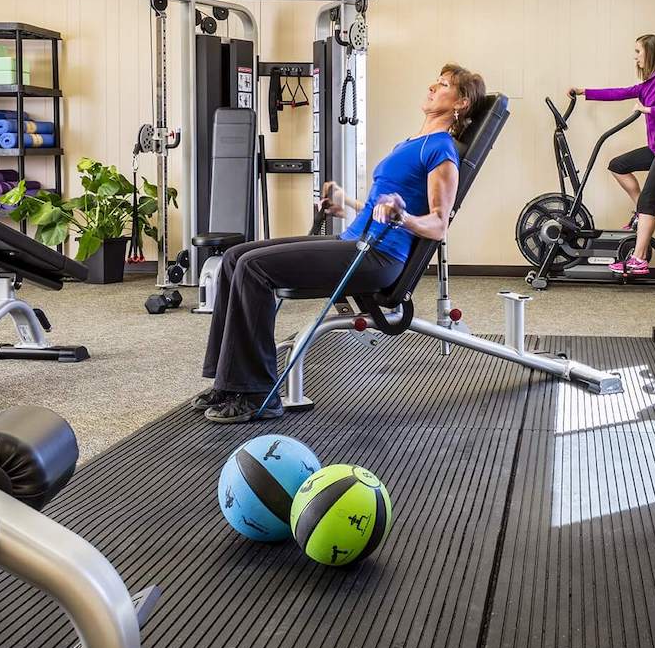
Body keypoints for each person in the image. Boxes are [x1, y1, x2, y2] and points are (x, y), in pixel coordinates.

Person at [195, 63, 494, 424]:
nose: (432, 86)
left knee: (253, 268)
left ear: (461, 103)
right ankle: (227, 382)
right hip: (354, 240)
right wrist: (346, 205)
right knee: (234, 257)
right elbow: (378, 205)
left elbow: (438, 224)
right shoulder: (411, 143)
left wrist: (403, 218)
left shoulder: (441, 150)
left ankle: (257, 393)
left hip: (378, 257)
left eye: (443, 84)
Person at [568, 33, 655, 276]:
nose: (635, 56)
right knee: (618, 165)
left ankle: (639, 260)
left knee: (649, 201)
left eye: (638, 51)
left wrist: (649, 109)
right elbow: (619, 92)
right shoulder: (646, 84)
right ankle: (641, 212)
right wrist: (583, 91)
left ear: (650, 52)